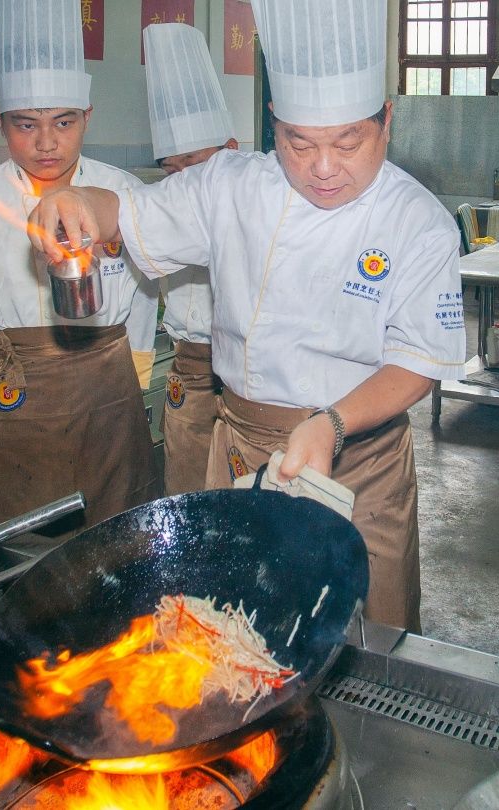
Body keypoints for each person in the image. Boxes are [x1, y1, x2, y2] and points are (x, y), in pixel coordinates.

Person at [29, 0, 467, 633]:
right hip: (242, 448)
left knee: (364, 639)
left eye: (348, 142)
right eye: (299, 143)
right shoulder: (230, 186)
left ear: (387, 121)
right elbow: (124, 212)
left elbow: (416, 363)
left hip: (359, 460)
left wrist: (331, 424)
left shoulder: (418, 221)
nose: (323, 167)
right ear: (273, 123)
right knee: (236, 634)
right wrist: (77, 202)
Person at [0, 0, 161, 528]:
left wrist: (137, 365)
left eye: (64, 122)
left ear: (87, 118)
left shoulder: (123, 195)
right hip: (11, 392)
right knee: (8, 535)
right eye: (26, 124)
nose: (47, 143)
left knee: (114, 533)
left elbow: (147, 287)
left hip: (106, 385)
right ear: (0, 122)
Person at [143, 22, 237, 495]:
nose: (183, 183)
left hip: (248, 378)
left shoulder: (259, 203)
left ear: (231, 151)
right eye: (171, 169)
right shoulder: (155, 210)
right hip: (188, 369)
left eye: (195, 165)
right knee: (186, 491)